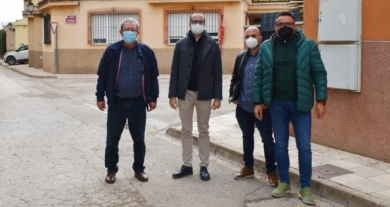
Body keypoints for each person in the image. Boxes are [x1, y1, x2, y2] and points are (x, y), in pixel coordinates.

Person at [254, 11, 327, 205]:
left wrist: (321, 100)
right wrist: (258, 102)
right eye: (280, 24)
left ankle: (305, 187)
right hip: (277, 103)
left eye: (289, 23)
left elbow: (319, 73)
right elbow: (260, 75)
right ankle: (284, 182)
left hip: (300, 103)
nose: (284, 27)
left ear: (295, 26)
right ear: (275, 27)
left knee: (304, 147)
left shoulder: (308, 45)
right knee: (280, 144)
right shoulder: (268, 47)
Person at [96, 18, 159, 184]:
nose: (130, 32)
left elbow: (153, 77)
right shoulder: (112, 51)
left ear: (138, 32)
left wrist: (153, 97)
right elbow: (102, 75)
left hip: (138, 102)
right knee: (112, 139)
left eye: (133, 29)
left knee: (139, 139)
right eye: (127, 29)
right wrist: (100, 97)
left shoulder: (146, 51)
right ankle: (111, 170)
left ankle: (139, 169)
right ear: (121, 32)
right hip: (117, 103)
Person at [169, 13, 223, 181]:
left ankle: (204, 166)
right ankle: (186, 165)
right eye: (194, 21)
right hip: (185, 94)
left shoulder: (213, 45)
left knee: (203, 131)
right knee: (186, 130)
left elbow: (217, 73)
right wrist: (172, 95)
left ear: (205, 24)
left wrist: (218, 96)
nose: (197, 24)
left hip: (204, 94)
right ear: (189, 23)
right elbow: (175, 71)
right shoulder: (180, 44)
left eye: (200, 21)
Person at [229, 26, 278, 186]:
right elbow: (235, 78)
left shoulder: (268, 57)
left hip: (262, 108)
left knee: (267, 140)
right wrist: (233, 96)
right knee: (246, 137)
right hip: (243, 106)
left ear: (260, 38)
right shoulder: (241, 56)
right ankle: (248, 167)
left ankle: (271, 171)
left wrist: (266, 102)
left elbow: (272, 81)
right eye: (247, 36)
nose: (250, 38)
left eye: (253, 35)